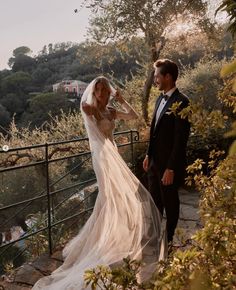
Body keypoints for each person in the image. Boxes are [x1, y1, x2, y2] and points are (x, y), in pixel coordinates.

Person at [32, 76, 166, 290]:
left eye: (104, 90)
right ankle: (102, 244)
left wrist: (121, 99)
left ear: (109, 91)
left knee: (115, 198)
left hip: (114, 155)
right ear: (93, 92)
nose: (101, 94)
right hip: (102, 158)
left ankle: (112, 237)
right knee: (109, 197)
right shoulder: (91, 108)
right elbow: (85, 109)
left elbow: (133, 116)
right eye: (98, 90)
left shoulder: (111, 110)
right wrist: (90, 103)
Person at [143, 59, 190, 247]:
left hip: (169, 166)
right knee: (154, 201)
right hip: (154, 162)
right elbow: (154, 130)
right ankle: (155, 235)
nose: (155, 79)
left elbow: (181, 140)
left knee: (170, 202)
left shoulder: (183, 102)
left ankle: (169, 239)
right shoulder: (158, 99)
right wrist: (148, 154)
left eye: (157, 76)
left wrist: (171, 167)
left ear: (168, 76)